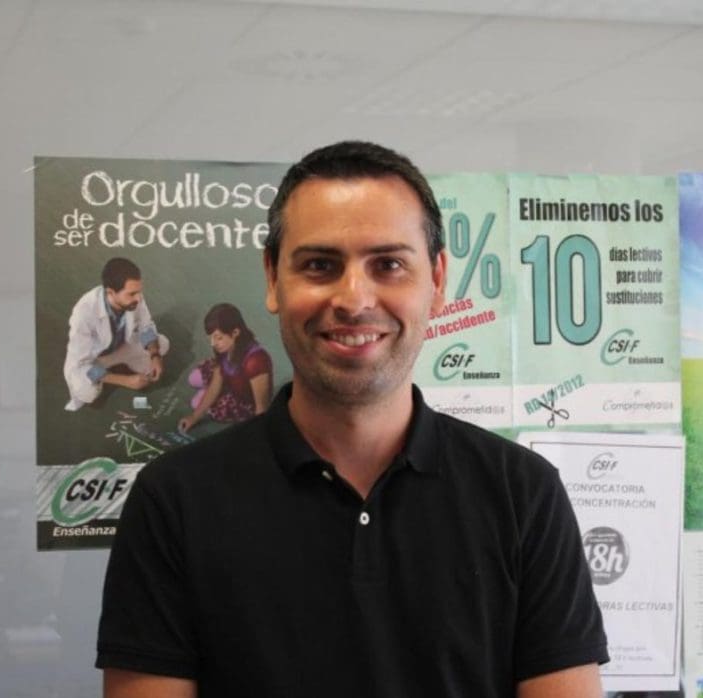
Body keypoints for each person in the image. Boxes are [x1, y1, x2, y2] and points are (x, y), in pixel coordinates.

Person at [96, 141, 608, 697]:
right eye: (320, 265)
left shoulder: (523, 494)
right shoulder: (174, 501)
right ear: (272, 278)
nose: (354, 299)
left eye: (389, 265)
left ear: (437, 281)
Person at [62, 257, 169, 411]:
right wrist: (125, 380)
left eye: (139, 292)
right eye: (132, 294)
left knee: (162, 344)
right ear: (110, 292)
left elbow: (146, 327)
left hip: (120, 346)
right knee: (87, 393)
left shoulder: (134, 296)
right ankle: (110, 374)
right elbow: (83, 365)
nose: (138, 298)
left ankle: (118, 367)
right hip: (93, 360)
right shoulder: (84, 312)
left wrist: (155, 356)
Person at [178, 303, 273, 432]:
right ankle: (217, 391)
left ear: (235, 333)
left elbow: (261, 408)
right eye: (210, 338)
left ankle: (217, 394)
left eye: (218, 338)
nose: (213, 343)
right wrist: (194, 417)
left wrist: (257, 434)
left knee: (196, 402)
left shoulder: (256, 361)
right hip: (232, 383)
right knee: (194, 378)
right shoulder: (226, 348)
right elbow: (215, 384)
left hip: (244, 400)